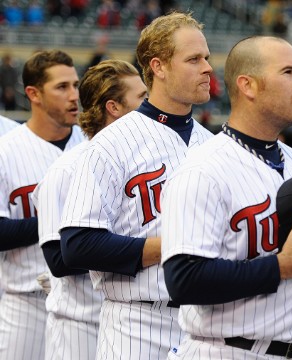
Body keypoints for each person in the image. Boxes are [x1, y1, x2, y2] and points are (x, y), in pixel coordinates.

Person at [58, 12, 214, 359]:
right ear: (158, 67)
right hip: (138, 323)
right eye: (193, 59)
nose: (207, 67)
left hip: (206, 326)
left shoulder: (213, 146)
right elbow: (77, 244)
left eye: (206, 57)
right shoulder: (111, 143)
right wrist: (171, 245)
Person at [161, 35, 292, 359]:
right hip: (227, 350)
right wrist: (282, 266)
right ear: (248, 86)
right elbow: (184, 279)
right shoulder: (203, 170)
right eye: (289, 72)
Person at [32, 59, 147, 360]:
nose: (151, 106)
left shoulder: (138, 162)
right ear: (114, 107)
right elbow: (58, 259)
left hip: (126, 320)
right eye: (143, 99)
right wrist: (138, 248)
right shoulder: (67, 168)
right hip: (79, 325)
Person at [0, 50, 85, 360]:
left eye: (76, 85)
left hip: (83, 302)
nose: (74, 95)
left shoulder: (93, 145)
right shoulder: (6, 151)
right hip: (26, 303)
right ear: (33, 94)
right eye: (62, 87)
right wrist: (59, 222)